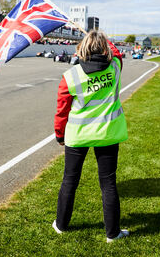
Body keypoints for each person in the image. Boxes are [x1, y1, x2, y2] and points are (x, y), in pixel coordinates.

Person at [53, 29, 129, 243]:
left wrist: (59, 134)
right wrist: (103, 39)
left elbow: (62, 110)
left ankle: (61, 225)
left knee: (70, 180)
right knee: (108, 184)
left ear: (82, 48)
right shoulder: (115, 67)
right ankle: (112, 234)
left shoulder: (70, 76)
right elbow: (117, 54)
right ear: (105, 49)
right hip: (107, 133)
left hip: (78, 135)